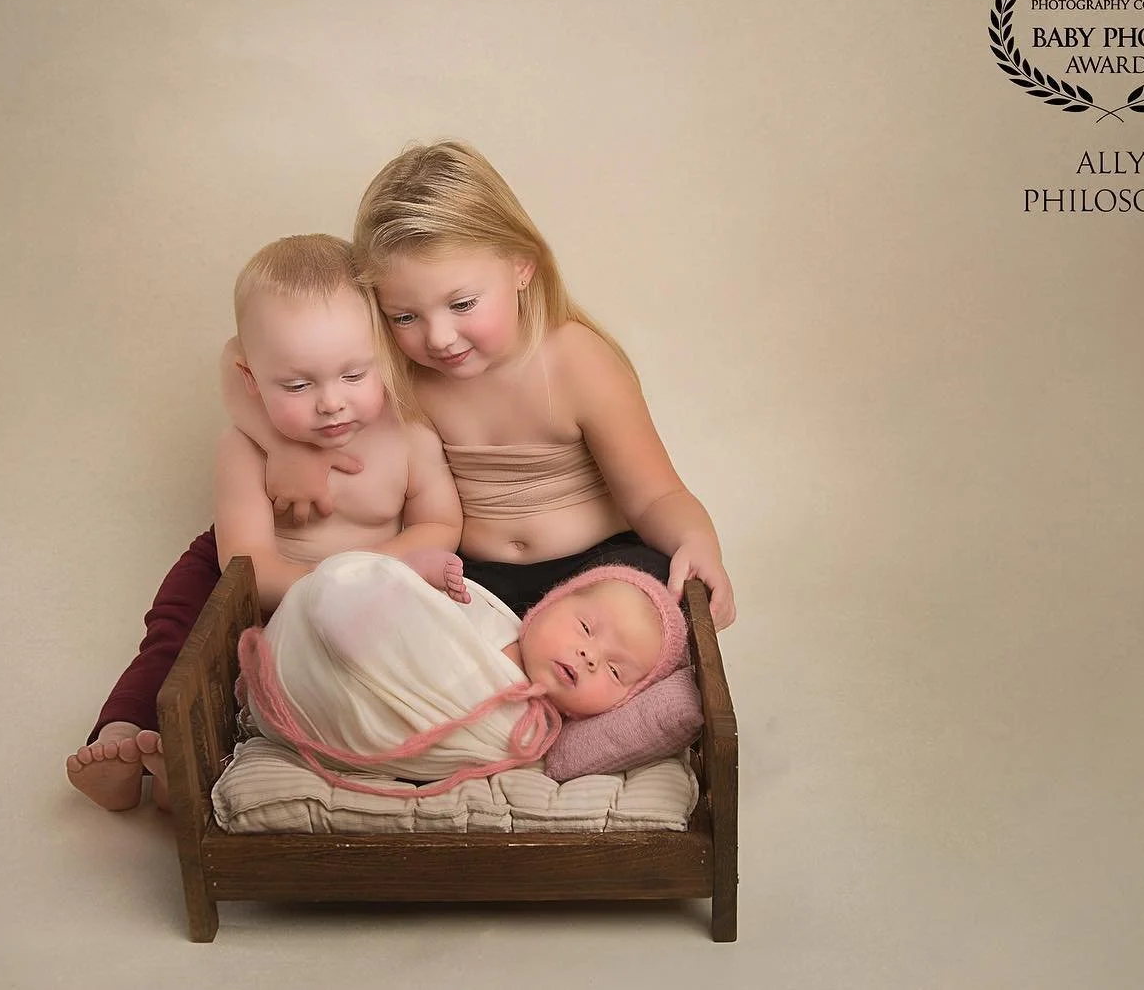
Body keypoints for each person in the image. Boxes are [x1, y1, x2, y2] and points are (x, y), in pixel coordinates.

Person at [237, 140, 736, 624]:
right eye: (405, 315)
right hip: (474, 580)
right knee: (403, 629)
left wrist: (696, 539)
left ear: (521, 266)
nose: (438, 337)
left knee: (635, 601)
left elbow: (654, 497)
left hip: (596, 567)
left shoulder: (575, 361)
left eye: (462, 304)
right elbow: (245, 357)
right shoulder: (402, 366)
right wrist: (282, 447)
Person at [66, 234, 464, 811]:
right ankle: (122, 737)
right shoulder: (245, 448)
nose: (331, 402)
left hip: (364, 590)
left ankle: (181, 766)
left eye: (354, 376)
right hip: (246, 577)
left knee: (344, 673)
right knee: (180, 642)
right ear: (251, 380)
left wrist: (369, 576)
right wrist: (330, 586)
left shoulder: (409, 434)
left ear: (386, 357)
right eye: (298, 385)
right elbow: (246, 565)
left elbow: (440, 523)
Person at [237, 551, 688, 796]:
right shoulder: (490, 614)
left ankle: (310, 668)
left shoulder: (526, 734)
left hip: (338, 705)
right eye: (586, 627)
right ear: (548, 605)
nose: (589, 655)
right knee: (349, 582)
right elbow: (423, 623)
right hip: (356, 646)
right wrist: (417, 580)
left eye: (614, 671)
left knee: (350, 630)